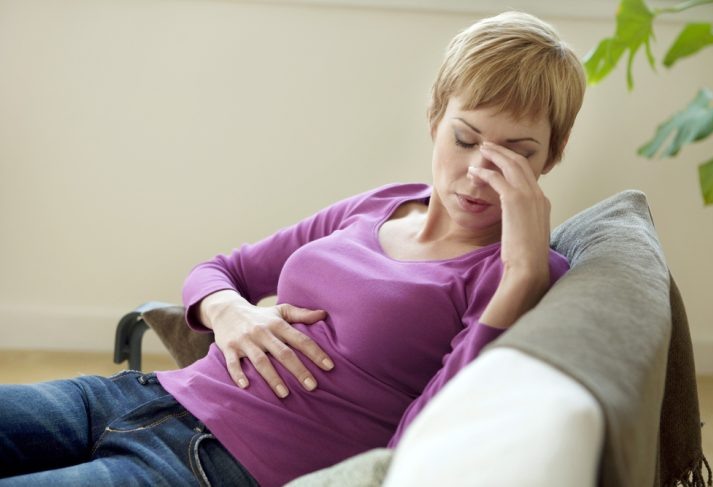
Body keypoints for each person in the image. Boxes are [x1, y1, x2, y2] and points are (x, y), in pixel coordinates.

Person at [0, 11, 585, 487]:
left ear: (552, 156)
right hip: (144, 396)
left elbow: (432, 431)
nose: (480, 172)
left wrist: (520, 276)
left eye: (516, 153)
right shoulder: (382, 204)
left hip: (210, 466)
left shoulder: (517, 275)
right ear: (435, 120)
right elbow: (220, 270)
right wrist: (231, 313)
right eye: (465, 138)